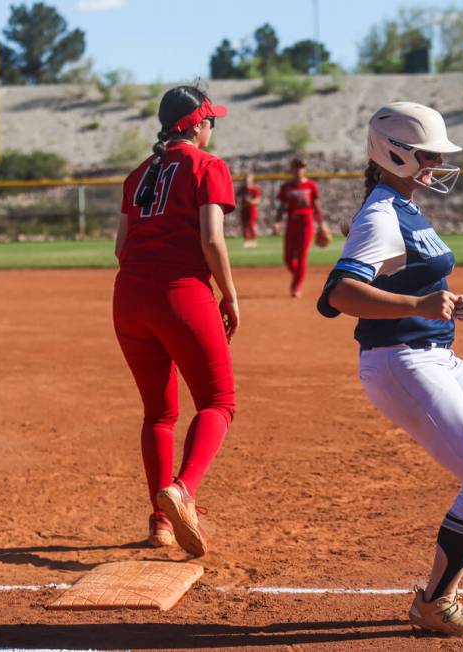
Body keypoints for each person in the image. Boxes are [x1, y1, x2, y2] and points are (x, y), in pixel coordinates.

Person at [316, 102, 463, 637]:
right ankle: (435, 601)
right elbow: (338, 294)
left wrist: (435, 300)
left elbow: (406, 280)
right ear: (396, 153)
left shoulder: (406, 208)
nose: (438, 162)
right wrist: (417, 307)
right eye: (430, 154)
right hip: (399, 362)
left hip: (433, 355)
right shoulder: (381, 213)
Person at [113, 85, 239, 557]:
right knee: (218, 401)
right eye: (212, 122)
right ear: (198, 125)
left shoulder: (138, 174)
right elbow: (212, 239)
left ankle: (160, 523)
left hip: (128, 297)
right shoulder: (209, 166)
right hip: (181, 293)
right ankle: (183, 491)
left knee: (159, 413)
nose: (213, 129)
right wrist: (229, 294)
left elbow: (120, 249)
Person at [274, 158, 325, 297]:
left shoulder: (311, 185)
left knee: (302, 255)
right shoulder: (286, 187)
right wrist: (277, 222)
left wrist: (321, 224)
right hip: (291, 222)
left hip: (306, 222)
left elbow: (316, 206)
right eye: (296, 167)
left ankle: (296, 286)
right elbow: (281, 207)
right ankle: (299, 275)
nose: (298, 170)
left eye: (301, 167)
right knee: (288, 258)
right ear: (291, 169)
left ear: (304, 169)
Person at [237, 173, 262, 248]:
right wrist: (241, 201)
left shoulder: (255, 189)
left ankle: (254, 240)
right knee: (244, 224)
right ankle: (246, 240)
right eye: (245, 180)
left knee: (251, 224)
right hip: (244, 208)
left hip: (252, 208)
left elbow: (258, 200)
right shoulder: (242, 189)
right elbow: (237, 198)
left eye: (248, 180)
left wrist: (250, 201)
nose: (247, 182)